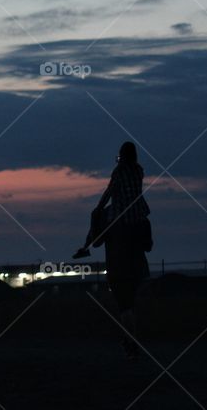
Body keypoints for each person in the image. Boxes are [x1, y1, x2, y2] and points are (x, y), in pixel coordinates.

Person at [75, 141, 152, 359]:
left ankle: (86, 246)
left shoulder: (119, 171)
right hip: (138, 213)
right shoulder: (139, 170)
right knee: (146, 227)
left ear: (121, 157)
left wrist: (98, 208)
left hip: (120, 213)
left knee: (96, 217)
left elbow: (109, 193)